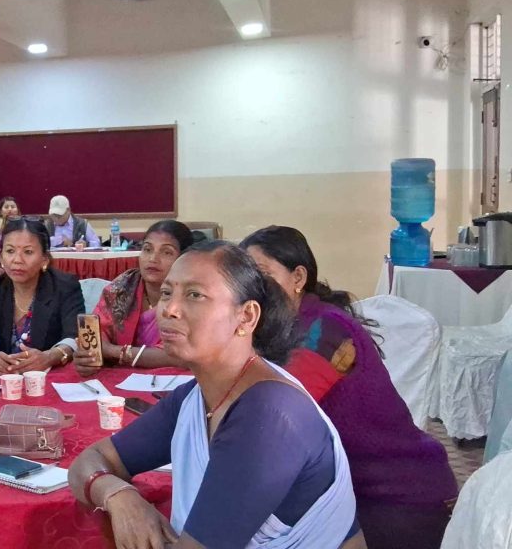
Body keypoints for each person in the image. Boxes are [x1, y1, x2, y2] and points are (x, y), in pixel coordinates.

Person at [68, 241, 363, 549]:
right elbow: (89, 461)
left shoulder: (269, 415)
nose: (168, 309)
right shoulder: (195, 399)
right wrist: (118, 495)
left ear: (246, 316)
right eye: (167, 293)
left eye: (194, 295)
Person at [241, 225, 457, 549]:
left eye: (262, 275)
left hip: (397, 498)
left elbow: (275, 409)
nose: (252, 288)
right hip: (354, 493)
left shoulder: (326, 329)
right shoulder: (284, 327)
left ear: (298, 277)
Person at [74, 220, 194, 375]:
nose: (153, 258)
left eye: (166, 252)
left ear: (184, 259)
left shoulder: (193, 297)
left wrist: (114, 351)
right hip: (119, 380)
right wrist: (89, 356)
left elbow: (181, 355)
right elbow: (97, 332)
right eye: (147, 249)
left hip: (174, 380)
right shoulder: (122, 288)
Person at [0, 217, 84, 373]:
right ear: (1, 257)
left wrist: (50, 356)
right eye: (10, 251)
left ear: (44, 259)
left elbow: (75, 337)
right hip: (4, 379)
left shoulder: (65, 287)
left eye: (28, 252)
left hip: (49, 377)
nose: (17, 260)